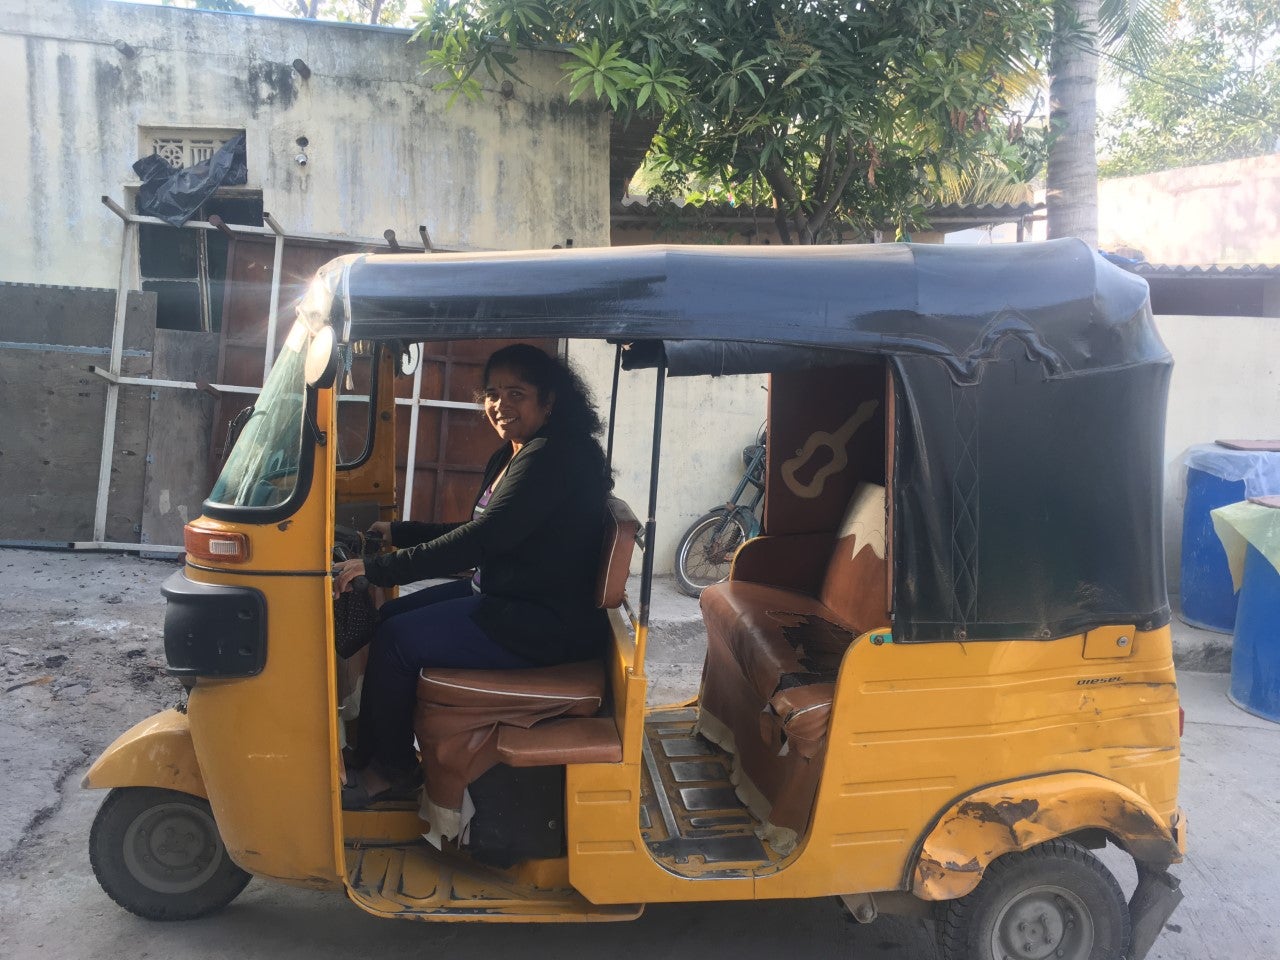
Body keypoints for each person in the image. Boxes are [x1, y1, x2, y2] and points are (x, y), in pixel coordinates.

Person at [333, 344, 613, 809]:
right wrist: (400, 532)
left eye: (517, 393)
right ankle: (371, 752)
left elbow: (481, 542)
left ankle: (392, 770)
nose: (500, 405)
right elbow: (479, 531)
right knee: (390, 617)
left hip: (541, 622)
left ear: (549, 400)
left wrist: (378, 567)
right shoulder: (516, 453)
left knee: (398, 638)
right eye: (493, 393)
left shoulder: (554, 457)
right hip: (511, 594)